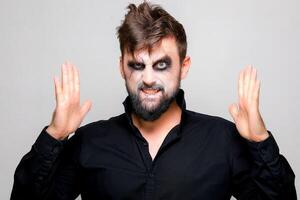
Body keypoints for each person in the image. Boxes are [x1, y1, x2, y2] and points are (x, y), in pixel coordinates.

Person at [11, 2, 296, 200]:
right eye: (137, 65)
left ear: (184, 67)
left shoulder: (222, 140)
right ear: (122, 66)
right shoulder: (89, 142)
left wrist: (259, 140)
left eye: (161, 65)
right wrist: (55, 135)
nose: (148, 79)